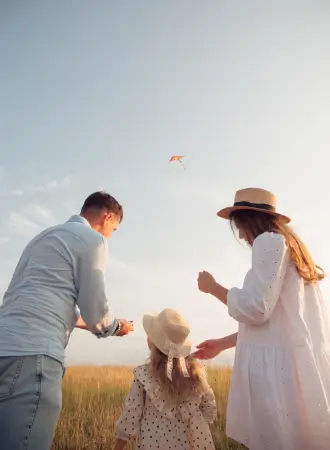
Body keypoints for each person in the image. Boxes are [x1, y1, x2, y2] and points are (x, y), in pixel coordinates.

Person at [193, 187, 330, 450]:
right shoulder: (289, 249)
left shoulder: (268, 242)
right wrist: (223, 343)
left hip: (274, 377)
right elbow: (278, 322)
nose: (242, 235)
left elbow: (257, 308)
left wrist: (213, 287)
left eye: (240, 227)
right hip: (290, 368)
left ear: (249, 220)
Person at [0, 191, 134, 450]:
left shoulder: (42, 238)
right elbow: (97, 315)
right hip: (34, 356)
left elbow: (41, 300)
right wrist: (118, 326)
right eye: (114, 229)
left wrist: (81, 322)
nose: (111, 235)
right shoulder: (93, 240)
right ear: (107, 218)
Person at [114, 308, 217, 450]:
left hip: (154, 443)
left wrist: (118, 446)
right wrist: (195, 425)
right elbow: (209, 408)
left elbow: (131, 415)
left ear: (154, 345)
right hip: (193, 442)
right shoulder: (196, 375)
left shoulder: (144, 375)